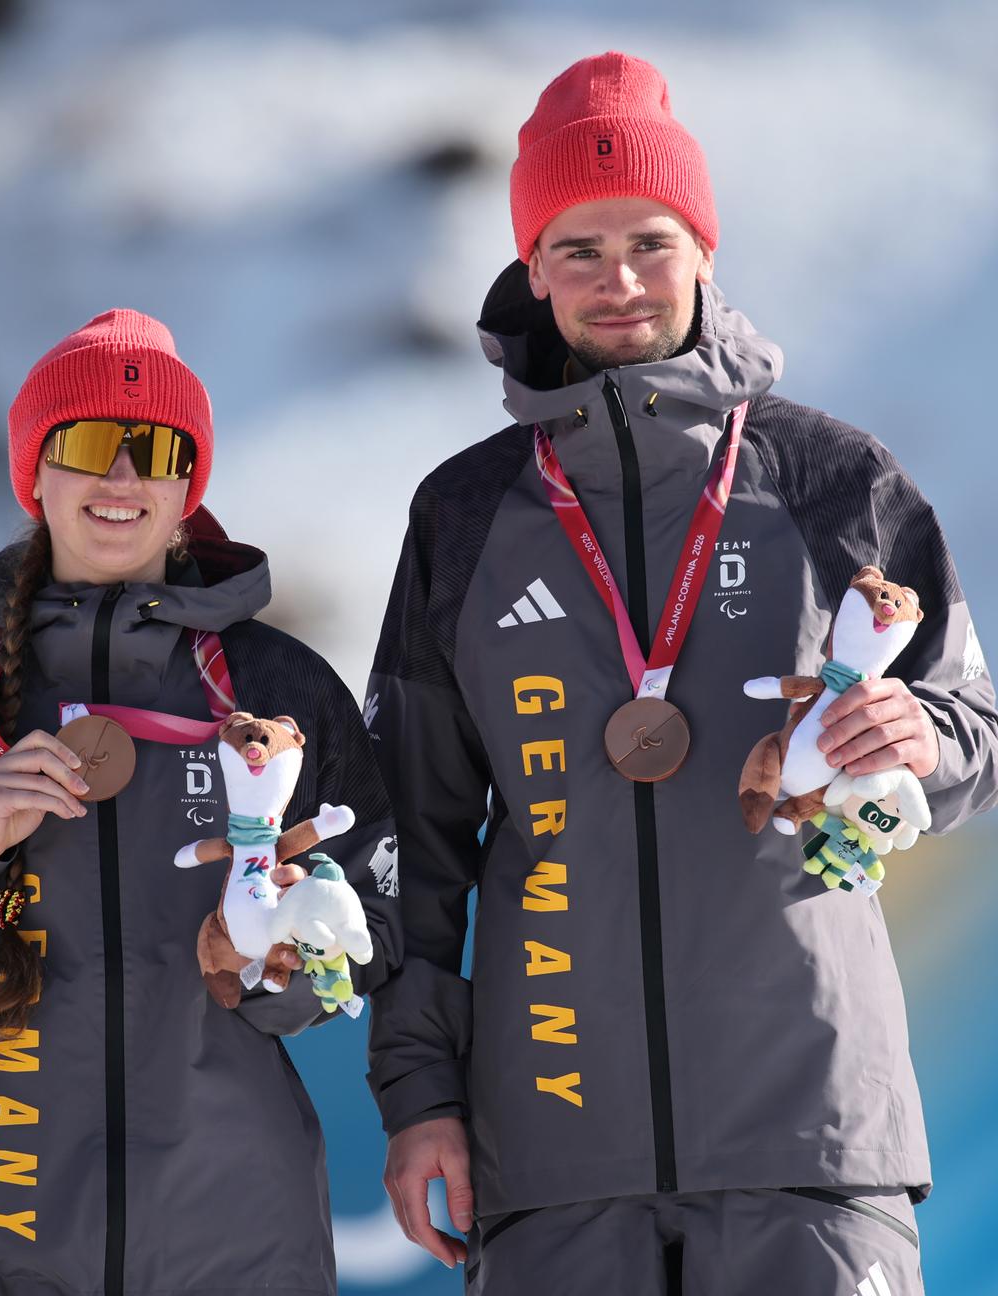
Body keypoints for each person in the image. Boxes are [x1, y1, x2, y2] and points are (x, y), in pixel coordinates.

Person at [364, 51, 997, 1295]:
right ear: (532, 270)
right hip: (551, 1145)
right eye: (579, 250)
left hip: (811, 1131)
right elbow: (416, 844)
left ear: (704, 248)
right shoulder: (467, 515)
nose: (619, 282)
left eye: (650, 241)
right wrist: (418, 1098)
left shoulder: (830, 480)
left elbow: (978, 732)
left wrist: (920, 737)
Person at [0, 308, 400, 1296]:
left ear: (190, 484)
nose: (123, 478)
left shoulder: (281, 688)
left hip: (233, 1246)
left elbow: (377, 927)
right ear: (37, 472)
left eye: (157, 451)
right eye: (93, 444)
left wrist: (285, 961)